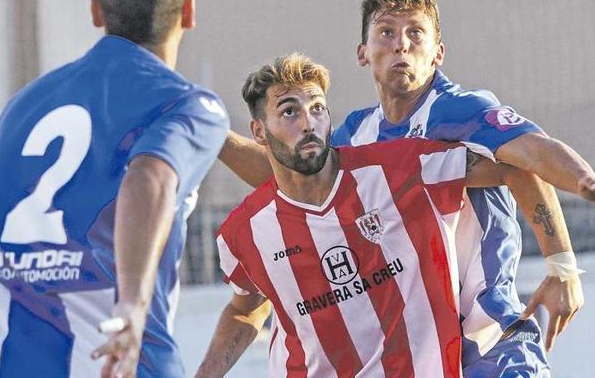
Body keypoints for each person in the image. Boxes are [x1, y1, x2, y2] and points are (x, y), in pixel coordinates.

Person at [219, 0, 595, 377]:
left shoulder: (455, 110)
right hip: (416, 349)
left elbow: (529, 156)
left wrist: (567, 252)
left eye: (415, 34)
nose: (401, 45)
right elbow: (289, 168)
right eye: (386, 32)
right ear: (363, 51)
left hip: (486, 333)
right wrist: (212, 135)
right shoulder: (355, 133)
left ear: (438, 52)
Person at [0, 0, 229, 378]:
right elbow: (150, 176)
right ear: (188, 12)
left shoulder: (24, 105)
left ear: (97, 11)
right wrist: (131, 308)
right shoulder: (187, 105)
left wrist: (29, 324)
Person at [195, 53, 552, 378]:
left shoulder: (401, 168)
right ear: (259, 131)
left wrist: (562, 264)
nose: (308, 123)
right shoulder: (244, 232)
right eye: (289, 111)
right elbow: (245, 308)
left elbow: (514, 164)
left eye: (317, 108)